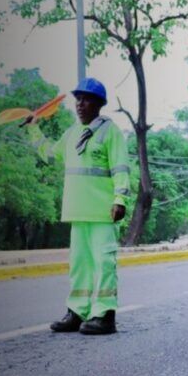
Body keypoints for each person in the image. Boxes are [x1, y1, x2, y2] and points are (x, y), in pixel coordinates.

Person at [25, 77, 130, 335]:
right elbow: (49, 152)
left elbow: (121, 169)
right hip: (77, 211)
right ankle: (77, 312)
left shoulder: (110, 131)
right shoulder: (72, 133)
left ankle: (105, 314)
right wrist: (34, 129)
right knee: (79, 264)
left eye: (87, 100)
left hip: (103, 212)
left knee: (104, 263)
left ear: (98, 104)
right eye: (78, 100)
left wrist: (120, 200)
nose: (80, 105)